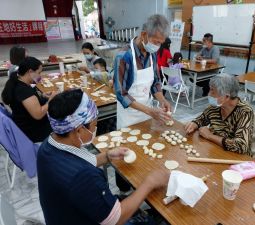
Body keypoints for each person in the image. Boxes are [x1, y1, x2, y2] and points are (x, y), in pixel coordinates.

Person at [37, 89, 170, 225]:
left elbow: (79, 163)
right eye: (94, 125)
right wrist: (150, 183)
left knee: (126, 199)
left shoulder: (48, 145)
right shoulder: (83, 176)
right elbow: (115, 220)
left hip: (64, 213)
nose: (95, 129)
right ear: (79, 130)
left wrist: (107, 155)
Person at [114, 14, 172, 130]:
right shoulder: (124, 56)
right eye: (156, 42)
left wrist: (162, 99)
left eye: (161, 43)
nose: (158, 47)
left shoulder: (152, 54)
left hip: (147, 113)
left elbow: (155, 82)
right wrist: (150, 111)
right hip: (129, 116)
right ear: (143, 34)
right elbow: (121, 94)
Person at [185, 73, 254, 155]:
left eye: (212, 91)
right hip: (215, 150)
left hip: (235, 158)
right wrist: (195, 123)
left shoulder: (245, 111)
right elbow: (202, 119)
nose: (209, 94)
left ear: (227, 97)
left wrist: (210, 136)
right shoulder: (216, 106)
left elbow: (241, 146)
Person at [1, 57, 56, 143]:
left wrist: (43, 96)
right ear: (30, 72)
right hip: (32, 132)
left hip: (25, 125)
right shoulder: (23, 90)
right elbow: (38, 114)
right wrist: (51, 100)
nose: (40, 76)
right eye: (39, 73)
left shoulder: (19, 82)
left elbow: (28, 101)